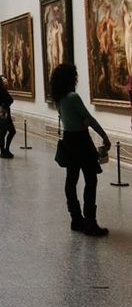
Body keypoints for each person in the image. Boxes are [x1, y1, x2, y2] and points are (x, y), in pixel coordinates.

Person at [50, 63, 111, 236]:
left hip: (68, 140)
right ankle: (90, 223)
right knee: (91, 180)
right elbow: (89, 118)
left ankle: (76, 219)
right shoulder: (72, 97)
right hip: (81, 141)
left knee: (71, 180)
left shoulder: (59, 99)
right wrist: (104, 136)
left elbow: (75, 119)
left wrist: (82, 121)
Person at [0, 74, 16, 158]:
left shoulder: (0, 91)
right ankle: (4, 151)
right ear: (0, 82)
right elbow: (10, 100)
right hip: (4, 114)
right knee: (8, 132)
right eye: (3, 79)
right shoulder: (2, 91)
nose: (5, 80)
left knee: (3, 133)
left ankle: (4, 150)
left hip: (4, 114)